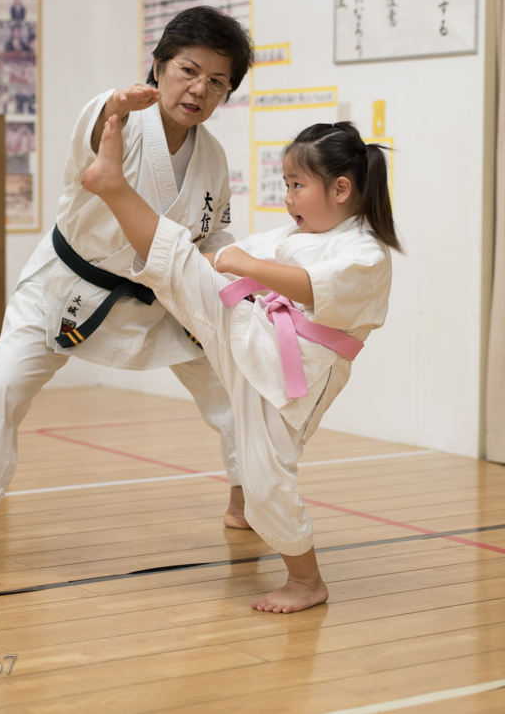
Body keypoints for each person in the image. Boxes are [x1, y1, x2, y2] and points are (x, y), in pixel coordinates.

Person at [0, 6, 254, 567]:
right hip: (69, 287)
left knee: (238, 385)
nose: (199, 89)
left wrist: (239, 267)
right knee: (1, 384)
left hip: (161, 295)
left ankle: (245, 501)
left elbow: (210, 228)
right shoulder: (116, 120)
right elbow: (94, 131)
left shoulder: (213, 158)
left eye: (217, 81)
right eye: (189, 70)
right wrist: (114, 107)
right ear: (159, 65)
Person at [82, 117, 400, 613]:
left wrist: (245, 266)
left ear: (340, 188)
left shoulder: (366, 253)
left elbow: (312, 288)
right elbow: (229, 259)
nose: (288, 198)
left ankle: (306, 581)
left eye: (296, 186)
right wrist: (213, 266)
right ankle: (113, 187)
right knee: (178, 261)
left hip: (289, 378)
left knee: (265, 477)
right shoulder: (298, 235)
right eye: (286, 186)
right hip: (253, 336)